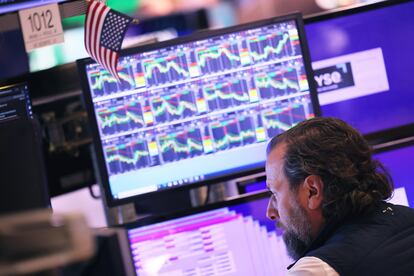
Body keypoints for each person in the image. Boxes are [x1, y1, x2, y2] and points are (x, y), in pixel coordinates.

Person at [265, 117, 414, 276]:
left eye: (275, 193)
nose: (270, 212)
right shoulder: (407, 217)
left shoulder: (316, 270)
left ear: (312, 191)